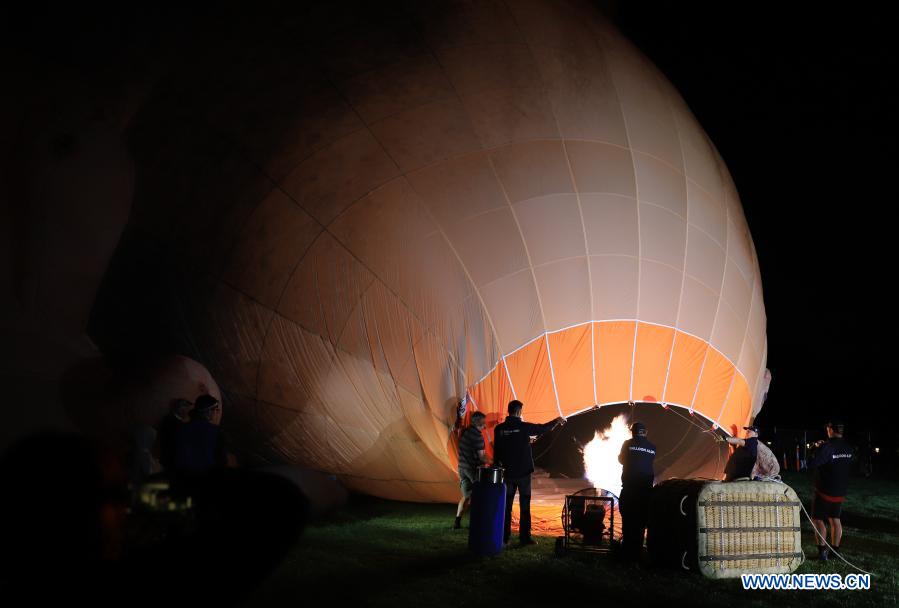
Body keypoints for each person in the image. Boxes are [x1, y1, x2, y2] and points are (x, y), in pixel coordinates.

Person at [492, 400, 564, 545]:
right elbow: (542, 428)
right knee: (525, 507)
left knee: (506, 506)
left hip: (507, 474)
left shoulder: (499, 429)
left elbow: (497, 450)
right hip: (523, 474)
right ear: (519, 412)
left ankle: (504, 537)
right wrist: (557, 420)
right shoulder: (523, 427)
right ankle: (524, 538)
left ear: (509, 411)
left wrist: (498, 465)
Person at [808, 420, 853, 561]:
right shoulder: (848, 447)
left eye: (828, 429)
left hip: (824, 491)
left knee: (817, 520)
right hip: (840, 491)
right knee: (835, 519)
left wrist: (815, 448)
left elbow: (812, 463)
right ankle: (835, 552)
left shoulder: (827, 447)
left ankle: (822, 553)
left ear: (831, 430)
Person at [617, 421, 655, 558]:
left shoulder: (628, 443)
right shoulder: (653, 447)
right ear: (646, 433)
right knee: (641, 521)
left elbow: (621, 460)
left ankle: (627, 551)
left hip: (630, 489)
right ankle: (638, 550)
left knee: (628, 518)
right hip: (645, 491)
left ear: (632, 432)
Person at [173, 394, 227, 478]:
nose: (216, 413)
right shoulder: (215, 432)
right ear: (208, 411)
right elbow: (221, 460)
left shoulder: (181, 429)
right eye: (216, 410)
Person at [454, 411, 488, 529]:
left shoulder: (466, 432)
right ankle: (477, 523)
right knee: (479, 495)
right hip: (472, 469)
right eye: (484, 422)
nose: (486, 424)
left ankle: (457, 522)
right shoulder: (477, 436)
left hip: (461, 468)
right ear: (480, 422)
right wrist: (494, 461)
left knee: (466, 496)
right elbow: (482, 457)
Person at [157, 398, 192, 472]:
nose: (188, 412)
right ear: (180, 409)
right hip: (172, 459)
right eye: (186, 409)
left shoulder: (174, 420)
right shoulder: (171, 422)